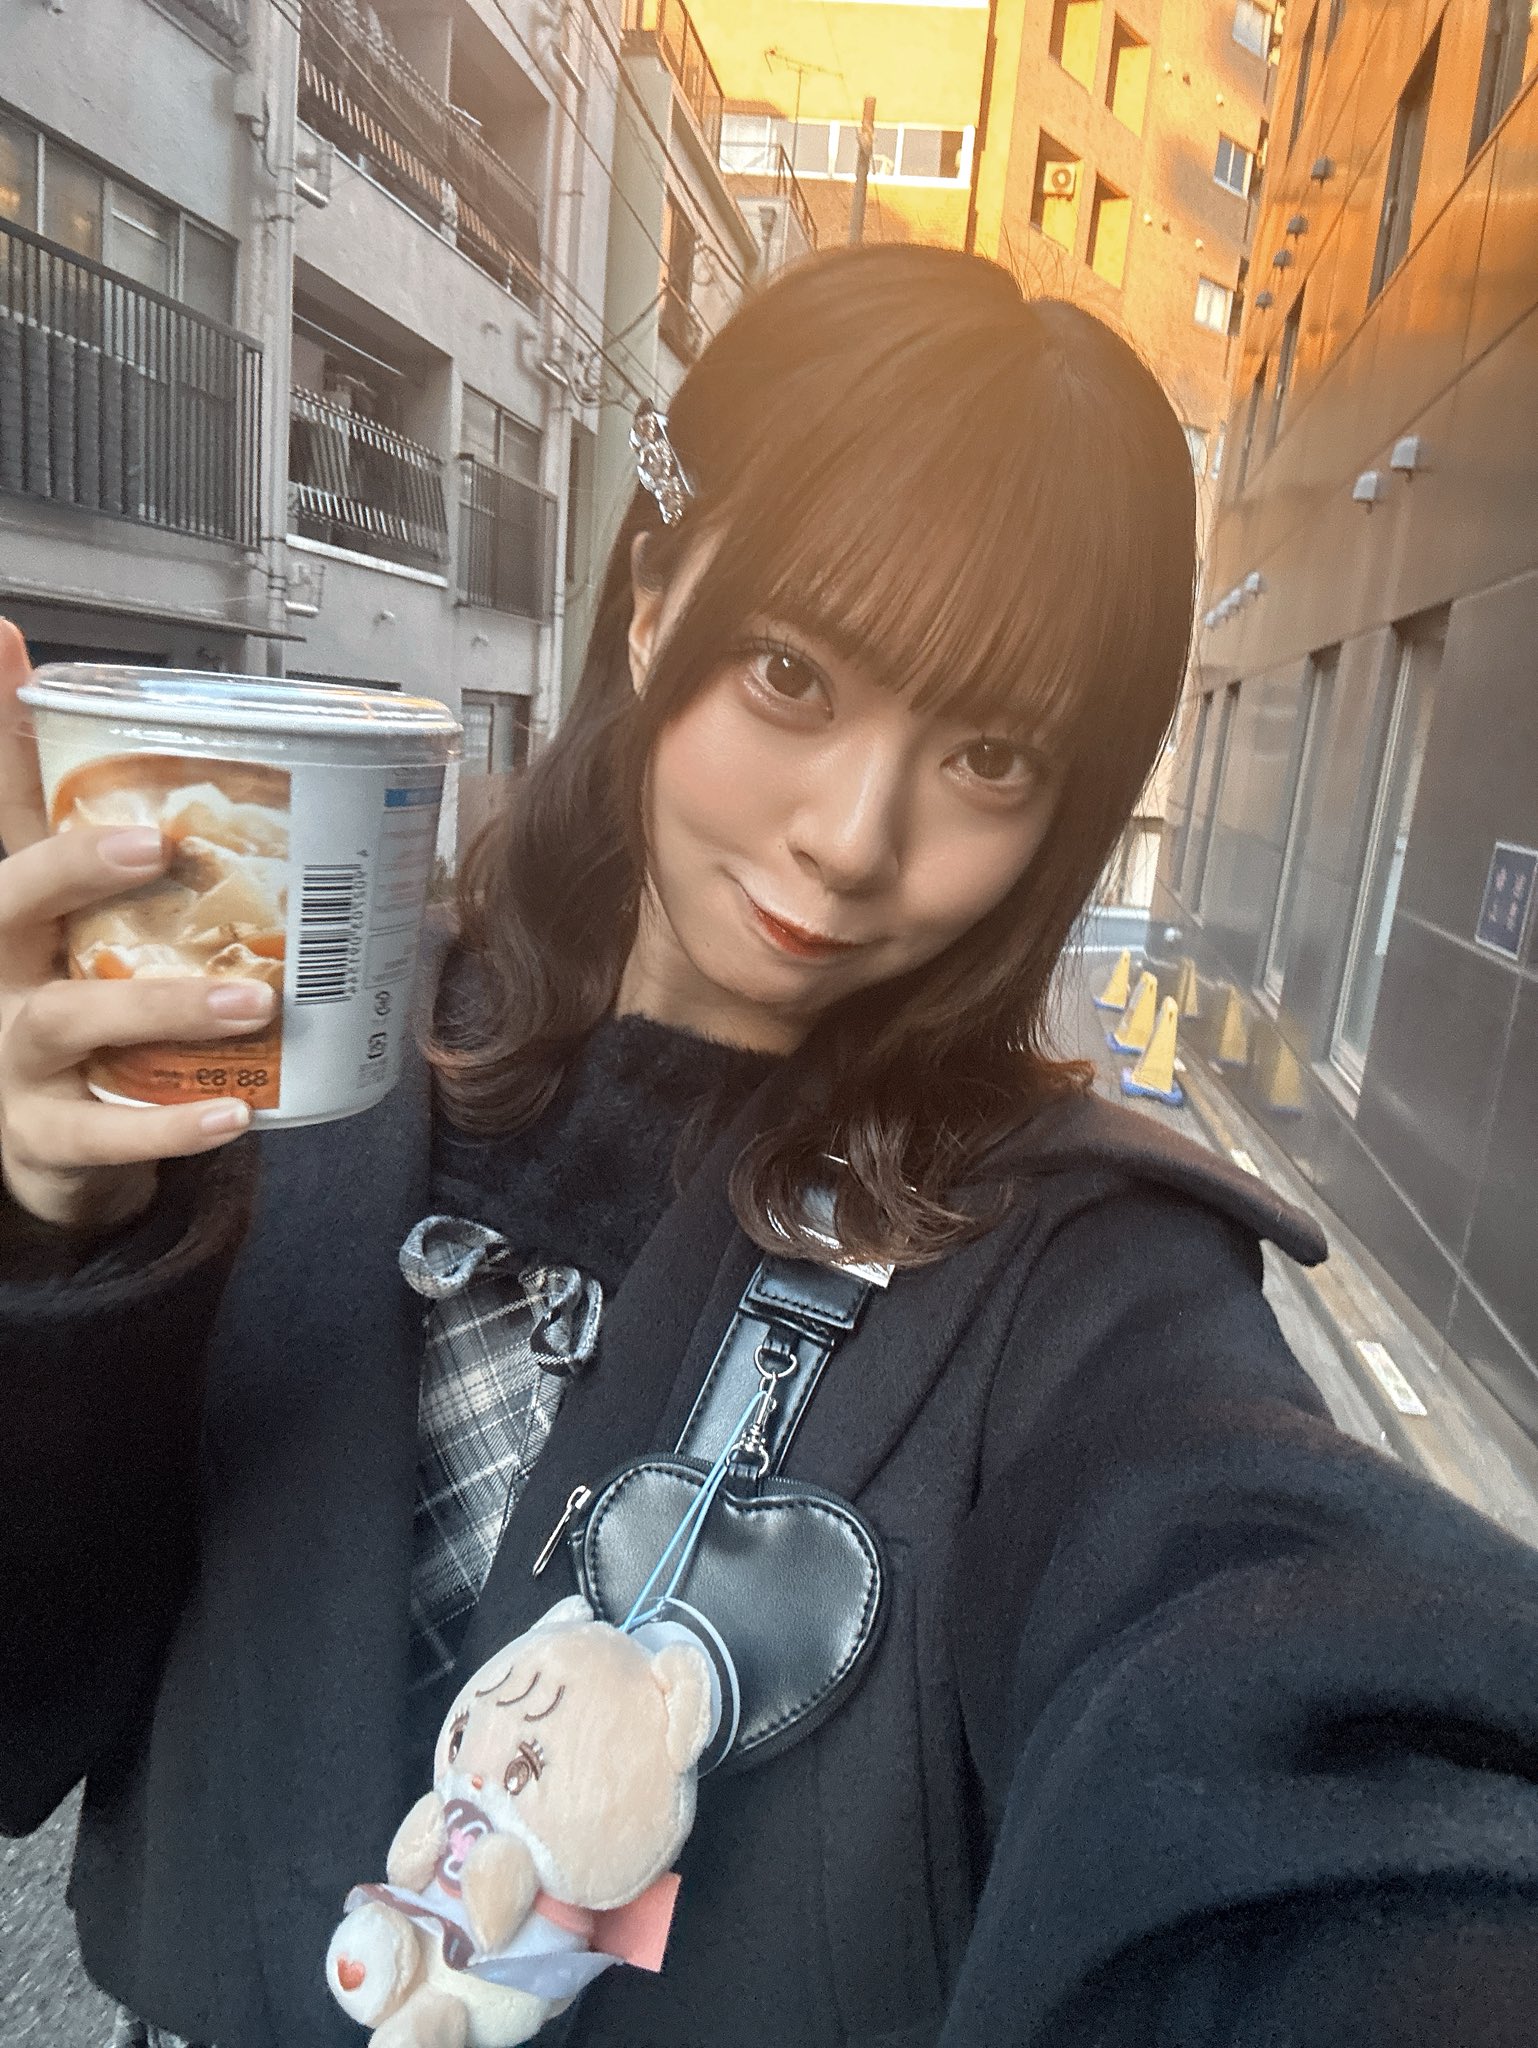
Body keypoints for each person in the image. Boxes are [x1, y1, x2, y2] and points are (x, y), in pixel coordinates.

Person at [3, 244, 1538, 2048]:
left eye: (990, 759)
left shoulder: (1069, 1267)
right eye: (793, 674)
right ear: (655, 603)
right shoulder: (270, 1052)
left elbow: (1254, 1627)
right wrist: (57, 1243)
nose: (850, 838)